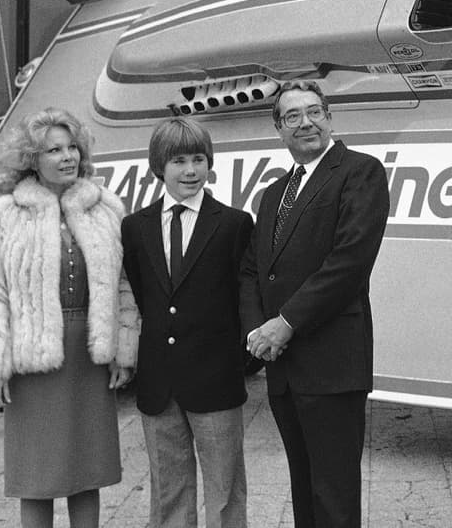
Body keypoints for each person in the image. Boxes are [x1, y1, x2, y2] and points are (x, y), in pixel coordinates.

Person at [0, 107, 139, 528]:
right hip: (31, 359)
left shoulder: (106, 209)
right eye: (53, 149)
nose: (67, 156)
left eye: (72, 146)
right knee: (34, 474)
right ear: (31, 159)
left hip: (90, 356)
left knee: (88, 469)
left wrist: (123, 349)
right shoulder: (3, 214)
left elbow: (125, 286)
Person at [240, 80, 389, 528]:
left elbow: (349, 261)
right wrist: (256, 333)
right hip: (284, 370)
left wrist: (284, 324)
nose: (305, 122)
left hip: (332, 367)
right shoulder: (273, 194)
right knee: (303, 490)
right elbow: (253, 270)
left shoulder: (360, 172)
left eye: (313, 111)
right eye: (292, 116)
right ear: (278, 129)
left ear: (329, 117)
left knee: (335, 496)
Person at [121, 117, 254, 528]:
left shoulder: (233, 224)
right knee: (169, 492)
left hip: (216, 380)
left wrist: (240, 360)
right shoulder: (136, 227)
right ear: (159, 166)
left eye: (199, 159)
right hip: (159, 382)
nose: (191, 170)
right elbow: (145, 296)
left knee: (225, 491)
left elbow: (244, 297)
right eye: (179, 161)